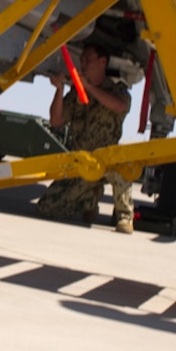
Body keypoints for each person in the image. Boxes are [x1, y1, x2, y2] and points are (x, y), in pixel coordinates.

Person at [35, 43, 133, 229]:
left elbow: (119, 106)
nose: (83, 64)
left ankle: (124, 216)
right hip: (82, 160)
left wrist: (88, 87)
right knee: (45, 208)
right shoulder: (75, 94)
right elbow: (56, 120)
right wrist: (59, 90)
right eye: (81, 60)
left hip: (108, 159)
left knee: (123, 169)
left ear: (102, 62)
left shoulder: (117, 90)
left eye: (87, 59)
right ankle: (89, 199)